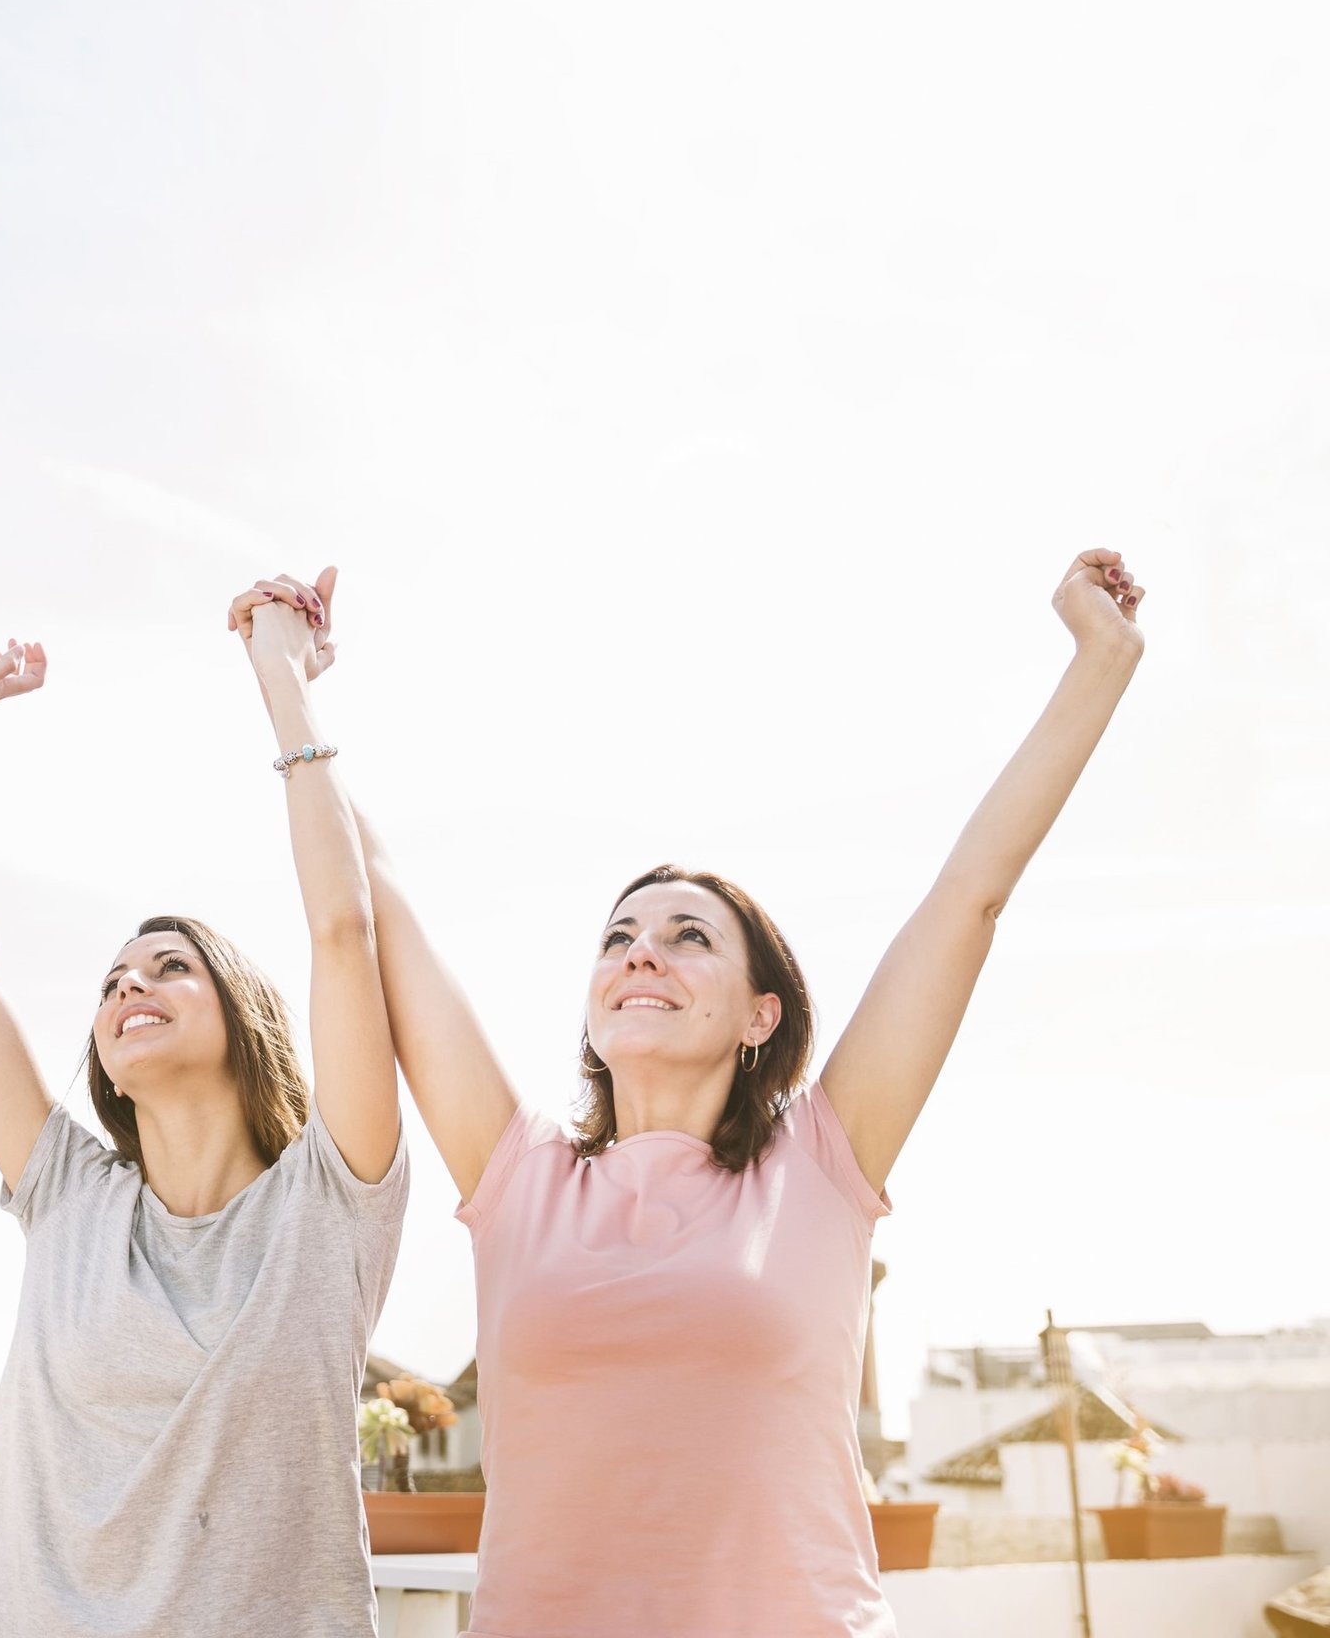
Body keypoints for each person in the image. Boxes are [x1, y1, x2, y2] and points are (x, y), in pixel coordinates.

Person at [233, 549, 1147, 1638]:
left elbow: (970, 897)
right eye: (618, 938)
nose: (640, 955)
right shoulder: (520, 1179)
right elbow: (376, 905)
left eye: (687, 938)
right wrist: (283, 677)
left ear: (763, 1014)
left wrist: (1103, 656)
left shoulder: (820, 1163)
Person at [0, 593, 406, 1638]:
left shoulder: (332, 1203)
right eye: (113, 980)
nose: (131, 986)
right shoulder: (66, 1197)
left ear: (244, 1015)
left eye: (171, 967)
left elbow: (346, 930)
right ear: (106, 1065)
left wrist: (283, 681)